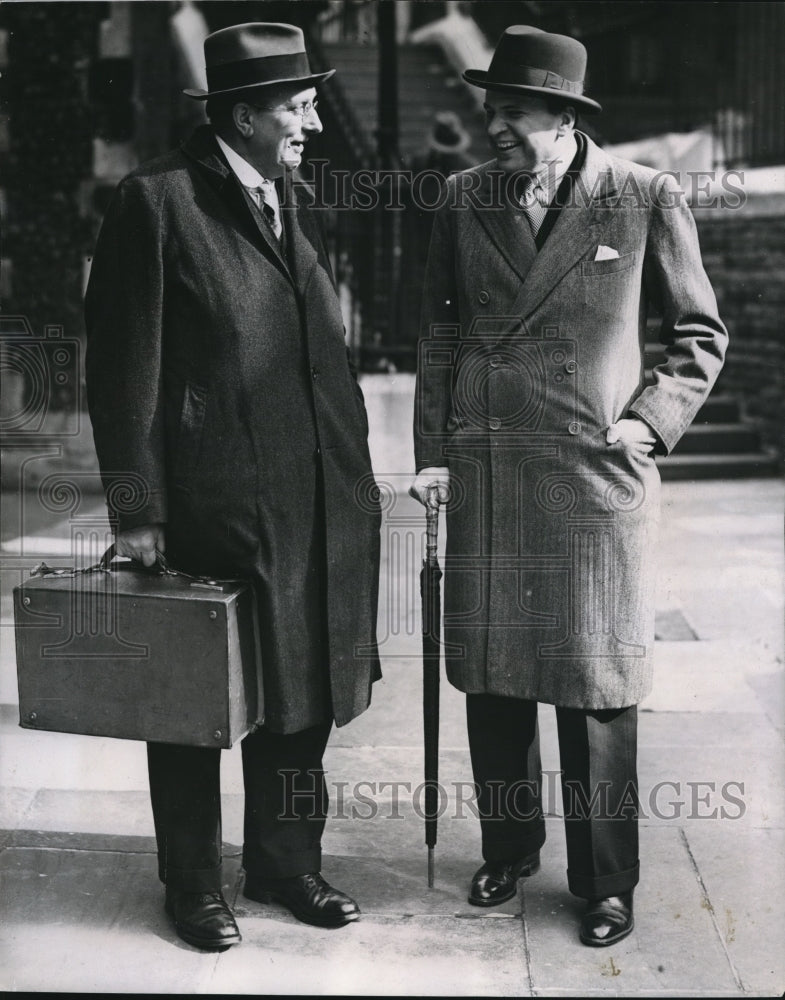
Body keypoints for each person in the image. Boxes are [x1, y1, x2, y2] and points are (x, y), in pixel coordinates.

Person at [411, 25, 727, 946]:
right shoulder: (463, 199)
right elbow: (437, 334)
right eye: (490, 112)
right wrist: (434, 450)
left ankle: (604, 882)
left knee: (595, 686)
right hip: (491, 476)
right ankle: (509, 847)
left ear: (561, 116)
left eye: (509, 113)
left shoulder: (641, 197)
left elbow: (697, 334)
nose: (492, 128)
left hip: (595, 487)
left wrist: (645, 423)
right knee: (495, 680)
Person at [84, 22, 381, 951]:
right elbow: (121, 369)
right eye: (295, 107)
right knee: (192, 694)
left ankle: (286, 864)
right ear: (243, 114)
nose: (311, 123)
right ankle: (193, 884)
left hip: (320, 502)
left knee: (305, 692)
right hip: (214, 507)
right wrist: (137, 512)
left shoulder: (294, 196)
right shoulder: (156, 201)